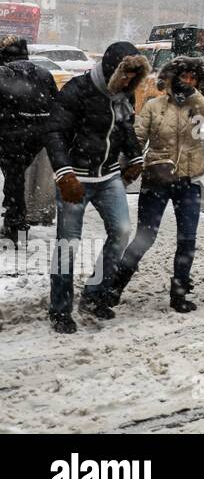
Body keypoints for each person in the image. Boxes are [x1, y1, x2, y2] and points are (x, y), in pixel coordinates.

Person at [44, 42, 151, 334]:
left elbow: (126, 127)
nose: (128, 80)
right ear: (110, 69)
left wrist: (135, 157)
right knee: (68, 244)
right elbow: (54, 131)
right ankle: (60, 309)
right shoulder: (78, 90)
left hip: (108, 177)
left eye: (133, 75)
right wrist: (64, 174)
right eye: (124, 73)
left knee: (122, 231)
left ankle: (94, 295)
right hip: (75, 179)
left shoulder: (123, 94)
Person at [109, 57, 204, 313]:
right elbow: (136, 137)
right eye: (183, 77)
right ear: (171, 78)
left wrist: (193, 95)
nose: (187, 82)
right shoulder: (154, 106)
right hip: (157, 179)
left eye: (193, 78)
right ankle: (114, 287)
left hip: (189, 180)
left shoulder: (198, 107)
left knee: (187, 239)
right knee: (144, 237)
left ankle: (179, 293)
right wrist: (129, 163)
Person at [0, 35, 58, 244]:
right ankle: (15, 218)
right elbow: (55, 104)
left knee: (14, 176)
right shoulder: (44, 73)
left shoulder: (4, 73)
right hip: (37, 136)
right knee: (15, 175)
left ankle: (16, 222)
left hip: (11, 135)